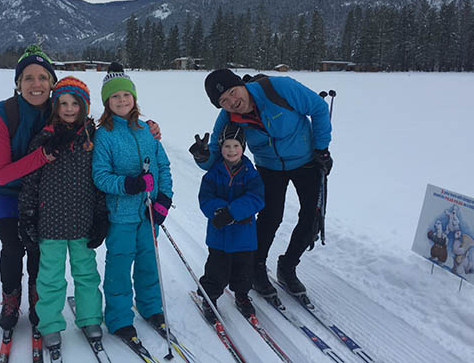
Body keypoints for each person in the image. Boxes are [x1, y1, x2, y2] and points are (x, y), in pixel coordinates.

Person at [190, 69, 332, 298]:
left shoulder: (279, 88)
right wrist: (201, 155)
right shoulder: (228, 117)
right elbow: (216, 156)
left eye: (233, 92)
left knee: (312, 217)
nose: (232, 102)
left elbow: (318, 107)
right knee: (269, 217)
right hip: (269, 166)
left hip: (306, 160)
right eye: (224, 101)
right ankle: (256, 267)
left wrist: (322, 149)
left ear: (242, 85)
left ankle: (288, 266)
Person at [18, 76, 108, 351]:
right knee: (51, 278)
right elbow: (30, 181)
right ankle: (50, 324)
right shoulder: (45, 138)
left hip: (82, 221)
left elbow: (100, 180)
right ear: (55, 107)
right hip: (51, 223)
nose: (69, 109)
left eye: (75, 104)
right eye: (63, 103)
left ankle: (90, 317)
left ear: (84, 107)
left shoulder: (93, 139)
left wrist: (101, 216)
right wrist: (27, 216)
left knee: (87, 274)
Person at [0, 44, 64, 331]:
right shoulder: (2, 114)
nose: (36, 84)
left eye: (43, 77)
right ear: (18, 83)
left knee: (39, 245)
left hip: (39, 192)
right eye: (28, 77)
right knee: (14, 245)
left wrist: (145, 127)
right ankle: (11, 297)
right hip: (0, 192)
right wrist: (43, 156)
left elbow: (95, 131)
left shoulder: (61, 109)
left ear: (52, 82)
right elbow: (1, 174)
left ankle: (37, 295)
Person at [92, 63, 173, 344]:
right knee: (119, 267)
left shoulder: (147, 130)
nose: (122, 100)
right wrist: (130, 184)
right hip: (122, 215)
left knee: (149, 263)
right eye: (115, 97)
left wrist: (165, 199)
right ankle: (118, 318)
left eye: (126, 95)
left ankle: (151, 308)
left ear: (134, 98)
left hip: (149, 212)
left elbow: (163, 165)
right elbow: (101, 176)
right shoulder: (104, 135)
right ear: (107, 101)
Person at [197, 123, 265, 323]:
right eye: (227, 146)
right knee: (216, 271)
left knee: (243, 271)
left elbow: (256, 198)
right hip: (219, 236)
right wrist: (220, 211)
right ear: (221, 148)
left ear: (242, 147)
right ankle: (209, 297)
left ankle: (242, 295)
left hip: (244, 236)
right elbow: (205, 198)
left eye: (236, 146)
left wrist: (233, 212)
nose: (231, 150)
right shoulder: (212, 174)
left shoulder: (251, 173)